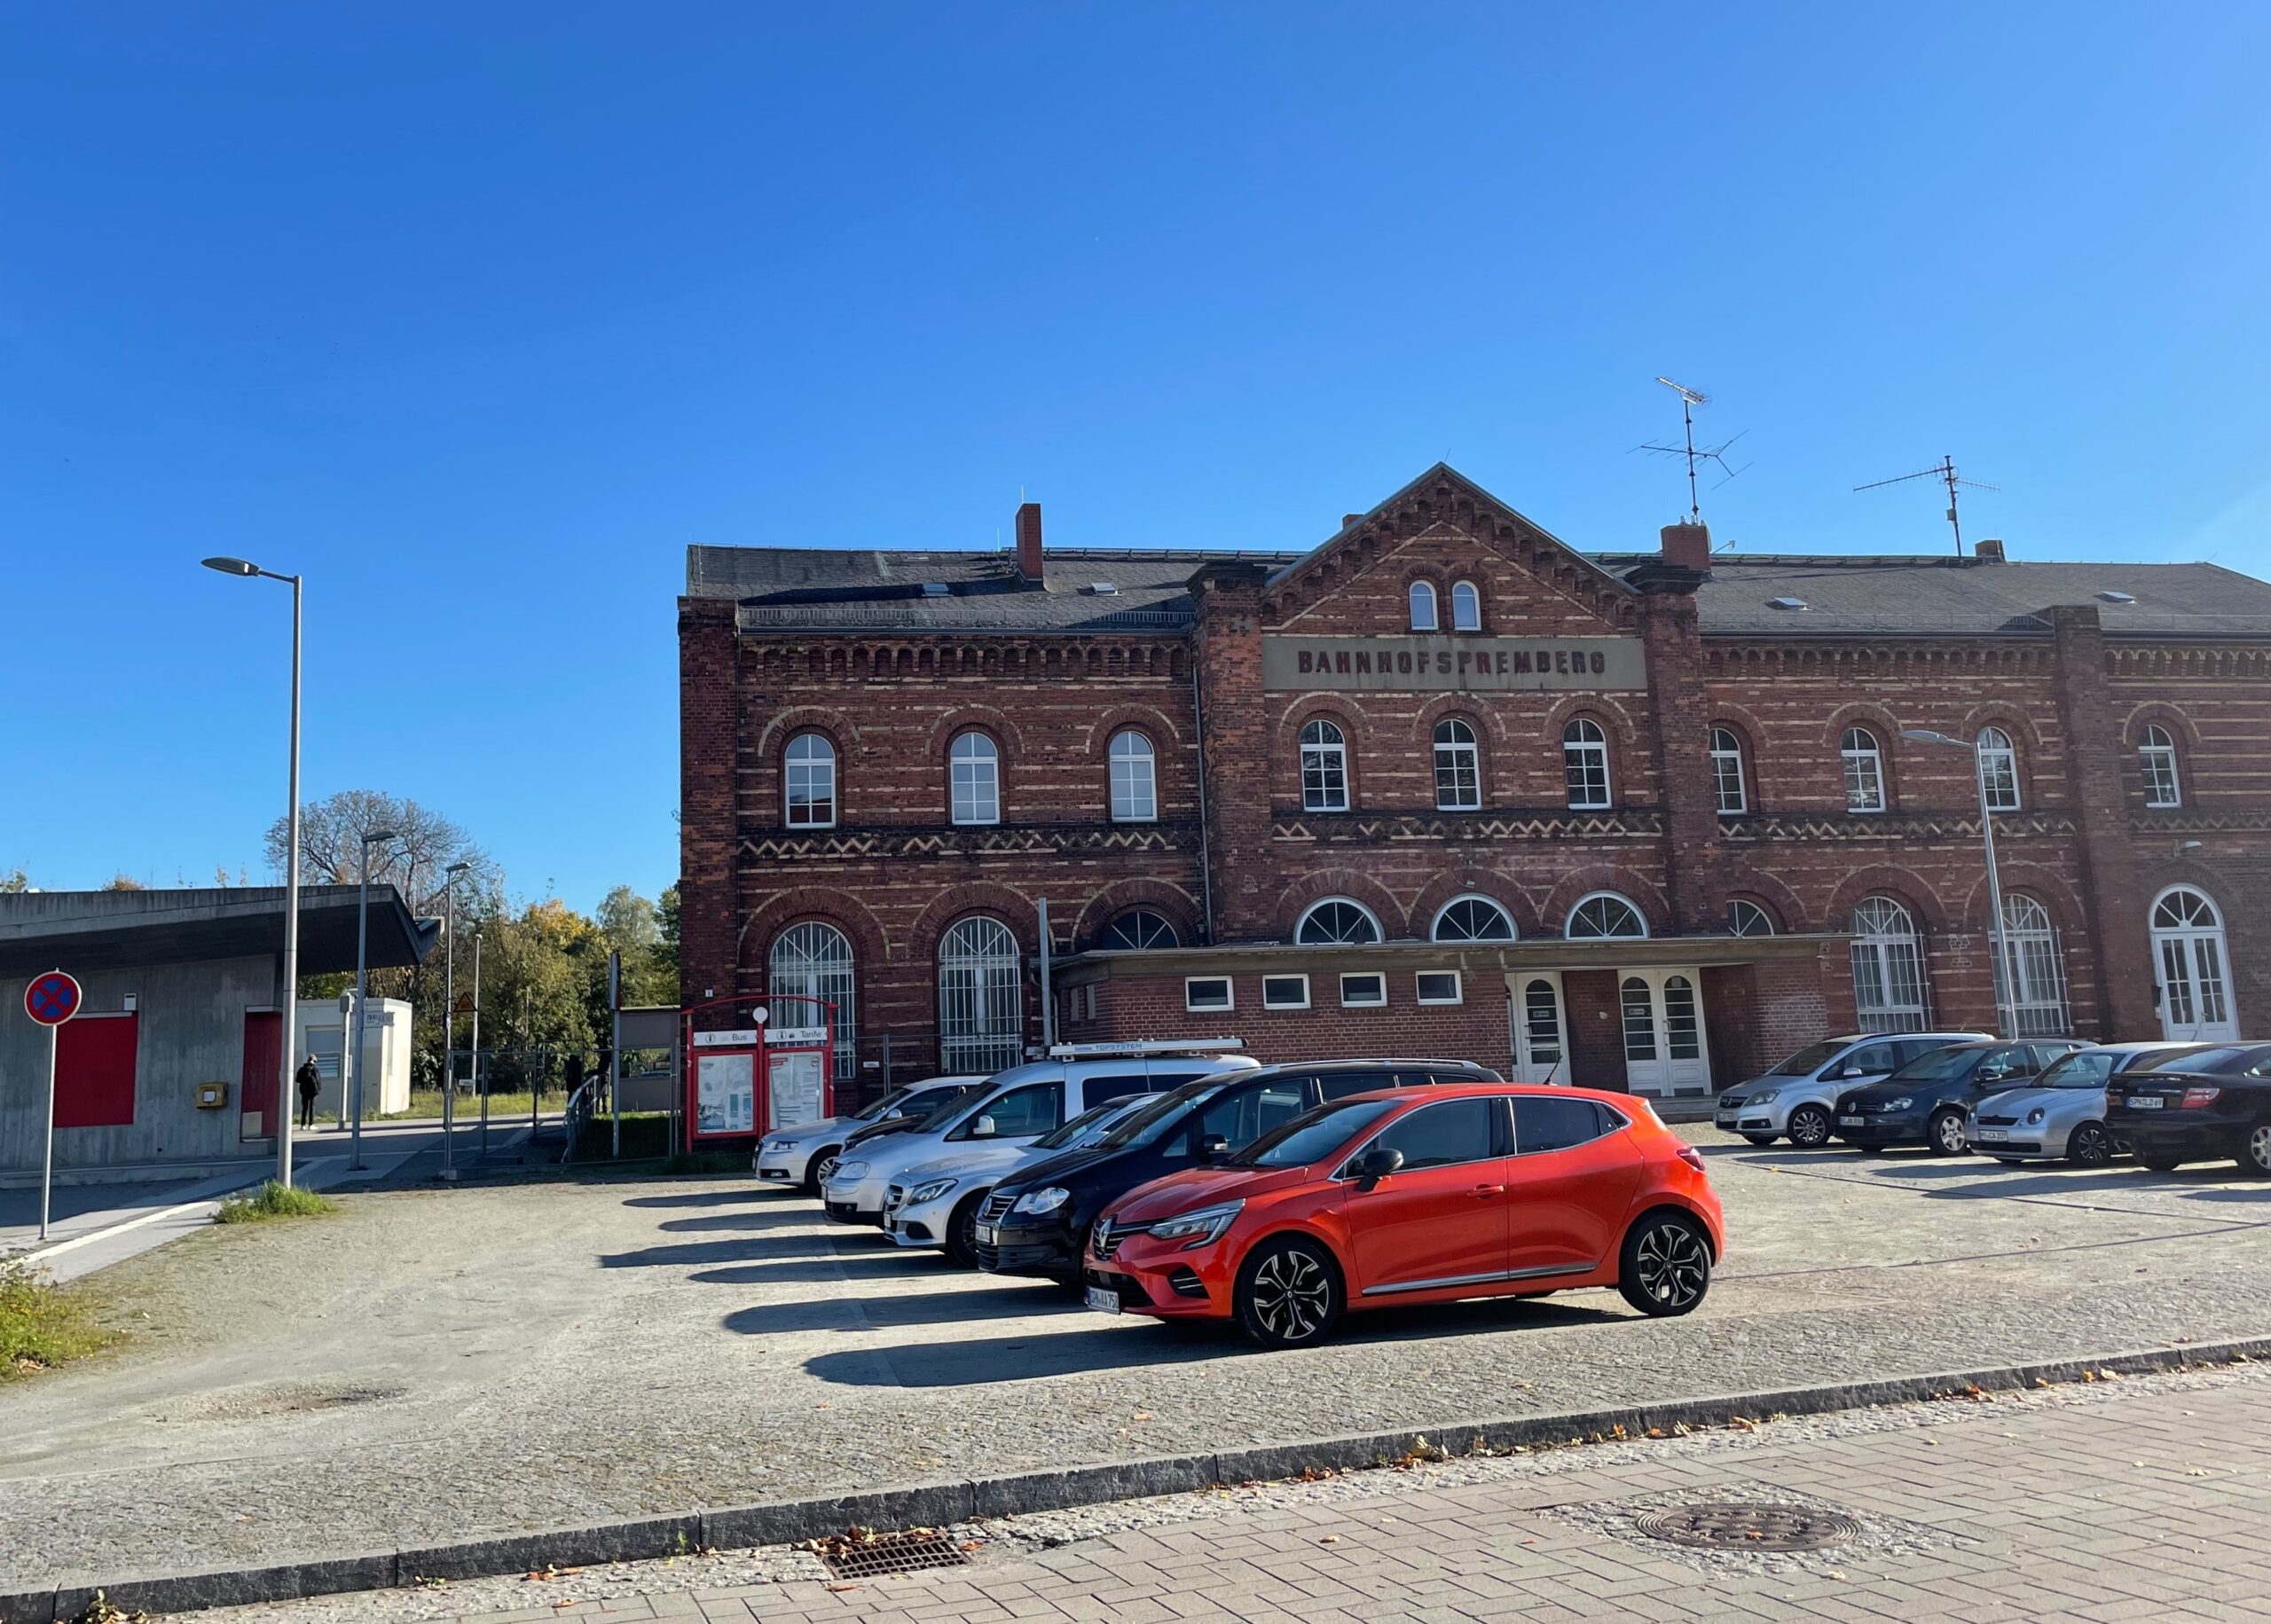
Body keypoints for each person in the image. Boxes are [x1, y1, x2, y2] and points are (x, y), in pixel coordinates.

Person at [295, 1053, 321, 1130]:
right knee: (312, 1107)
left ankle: (303, 1125)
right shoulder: (315, 1069)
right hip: (313, 1091)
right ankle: (311, 1124)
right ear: (314, 1061)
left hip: (304, 1090)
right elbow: (318, 1080)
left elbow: (297, 1080)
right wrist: (318, 1089)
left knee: (304, 1107)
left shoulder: (302, 1069)